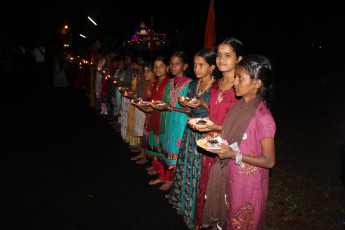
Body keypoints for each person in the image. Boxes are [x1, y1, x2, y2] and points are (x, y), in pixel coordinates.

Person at [201, 54, 276, 230]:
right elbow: (233, 138)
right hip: (231, 175)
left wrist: (234, 155)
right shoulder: (238, 107)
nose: (234, 82)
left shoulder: (263, 117)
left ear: (257, 83)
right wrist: (214, 140)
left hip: (249, 187)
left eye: (240, 78)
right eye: (235, 76)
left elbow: (269, 161)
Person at [194, 37, 245, 229]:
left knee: (224, 194)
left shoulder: (241, 88)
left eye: (228, 55)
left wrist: (215, 128)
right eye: (219, 55)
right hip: (210, 145)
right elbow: (214, 112)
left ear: (239, 59)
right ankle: (202, 223)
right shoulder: (215, 85)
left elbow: (242, 125)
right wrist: (205, 120)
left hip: (229, 150)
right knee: (206, 186)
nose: (221, 59)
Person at [168, 48, 217, 228]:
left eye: (201, 65)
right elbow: (190, 110)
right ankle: (184, 204)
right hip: (190, 132)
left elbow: (219, 116)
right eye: (195, 64)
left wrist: (203, 104)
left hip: (205, 134)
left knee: (199, 173)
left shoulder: (216, 87)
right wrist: (186, 104)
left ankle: (197, 213)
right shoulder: (193, 85)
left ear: (212, 67)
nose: (196, 68)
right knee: (187, 168)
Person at [150, 50, 192, 192]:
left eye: (177, 64)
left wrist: (170, 108)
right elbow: (167, 102)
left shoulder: (190, 84)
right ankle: (168, 179)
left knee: (177, 153)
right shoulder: (171, 82)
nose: (173, 66)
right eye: (171, 64)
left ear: (185, 66)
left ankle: (175, 184)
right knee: (168, 151)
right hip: (169, 120)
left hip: (181, 122)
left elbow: (188, 110)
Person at [145, 55, 171, 186]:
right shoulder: (154, 83)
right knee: (153, 146)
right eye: (155, 66)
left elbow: (170, 103)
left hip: (164, 120)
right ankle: (159, 172)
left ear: (167, 67)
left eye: (161, 66)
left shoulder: (170, 83)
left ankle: (166, 178)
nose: (157, 69)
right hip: (155, 117)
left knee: (163, 150)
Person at [130, 62, 156, 164]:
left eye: (148, 71)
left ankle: (146, 156)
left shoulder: (154, 84)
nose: (145, 73)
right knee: (145, 134)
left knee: (147, 135)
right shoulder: (149, 84)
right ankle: (142, 153)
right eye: (144, 71)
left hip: (152, 113)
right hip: (147, 112)